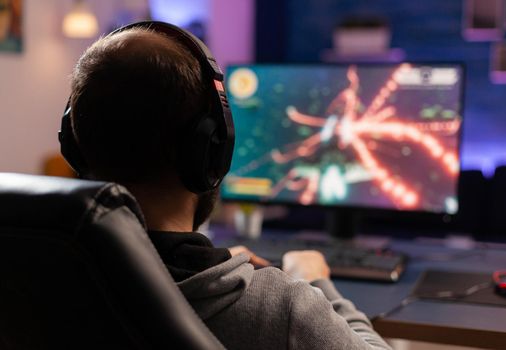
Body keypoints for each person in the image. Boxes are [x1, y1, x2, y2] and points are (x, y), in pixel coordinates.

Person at [64, 22, 392, 350]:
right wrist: (318, 283)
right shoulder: (280, 309)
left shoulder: (44, 281)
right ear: (211, 151)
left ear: (75, 150)